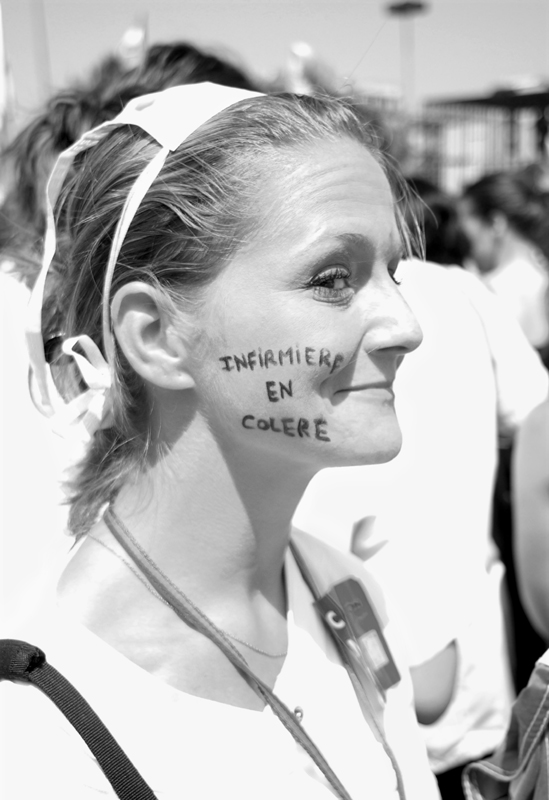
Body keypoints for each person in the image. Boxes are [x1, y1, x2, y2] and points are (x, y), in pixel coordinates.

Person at [0, 83, 439, 800]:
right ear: (157, 336)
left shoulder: (344, 590)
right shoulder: (36, 737)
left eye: (393, 271)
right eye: (332, 279)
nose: (405, 325)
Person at [293, 255, 549, 799]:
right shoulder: (464, 292)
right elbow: (534, 415)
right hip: (452, 689)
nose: (404, 333)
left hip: (401, 693)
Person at [458, 170, 549, 350]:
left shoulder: (489, 294)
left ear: (495, 223)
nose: (461, 239)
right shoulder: (541, 274)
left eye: (464, 225)